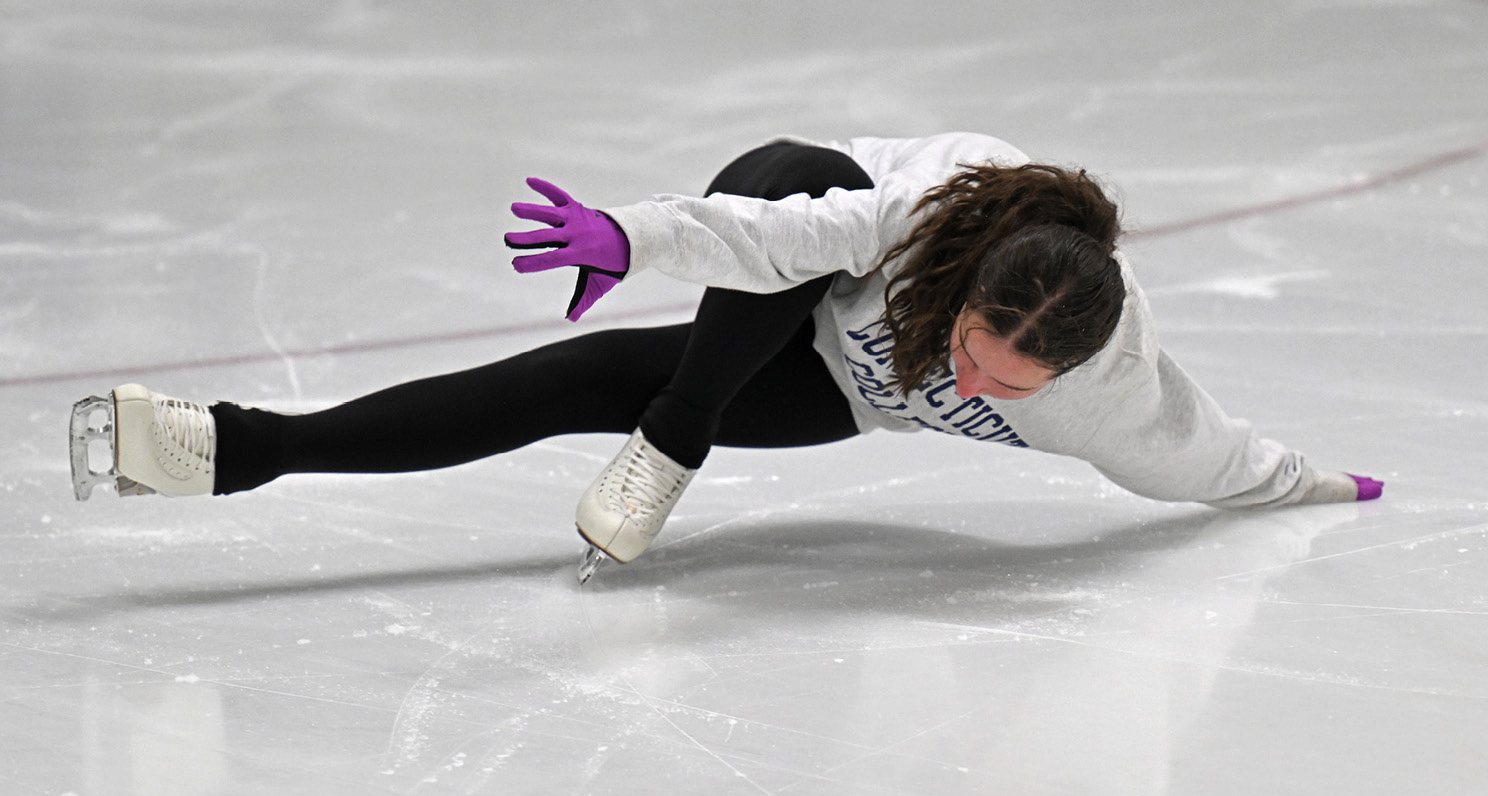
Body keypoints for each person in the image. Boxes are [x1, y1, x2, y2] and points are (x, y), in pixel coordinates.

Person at [68, 132, 1382, 582]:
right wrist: (627, 238)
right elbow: (773, 223)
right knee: (800, 178)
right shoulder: (930, 209)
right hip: (772, 311)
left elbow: (1221, 458)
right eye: (974, 353)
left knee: (603, 381)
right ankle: (236, 447)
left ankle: (677, 422)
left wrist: (1321, 482)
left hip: (817, 395)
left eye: (1000, 394)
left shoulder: (1112, 397)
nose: (968, 391)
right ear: (968, 287)